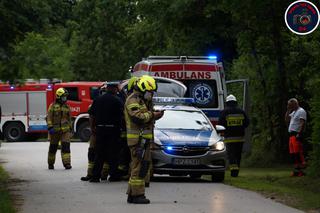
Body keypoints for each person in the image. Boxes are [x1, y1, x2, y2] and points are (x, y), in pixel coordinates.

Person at [125, 75, 164, 204]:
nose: (151, 94)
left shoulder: (143, 101)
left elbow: (147, 116)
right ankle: (138, 195)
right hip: (137, 140)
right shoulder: (133, 100)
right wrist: (153, 114)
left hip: (144, 140)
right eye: (150, 91)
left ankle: (132, 194)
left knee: (142, 166)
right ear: (143, 89)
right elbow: (137, 117)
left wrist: (156, 115)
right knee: (138, 167)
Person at [89, 82, 123, 183]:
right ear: (114, 88)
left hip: (100, 130)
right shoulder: (117, 100)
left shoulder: (98, 99)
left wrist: (92, 128)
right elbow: (122, 115)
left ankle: (95, 176)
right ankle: (114, 176)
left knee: (99, 153)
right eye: (116, 88)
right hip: (113, 130)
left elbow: (91, 115)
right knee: (113, 153)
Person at [80, 87, 110, 181]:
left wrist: (93, 128)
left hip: (98, 131)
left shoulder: (96, 104)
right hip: (100, 131)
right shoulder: (109, 103)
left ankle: (99, 174)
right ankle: (96, 174)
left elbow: (91, 118)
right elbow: (91, 117)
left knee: (96, 153)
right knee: (94, 152)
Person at [218, 94, 249, 177]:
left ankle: (233, 172)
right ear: (235, 102)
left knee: (231, 155)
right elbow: (247, 123)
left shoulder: (224, 112)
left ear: (227, 103)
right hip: (240, 138)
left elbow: (220, 123)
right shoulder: (241, 112)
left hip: (229, 138)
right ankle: (237, 171)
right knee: (238, 155)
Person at [47, 88, 72, 170]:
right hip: (54, 131)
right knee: (53, 148)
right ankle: (50, 163)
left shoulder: (67, 106)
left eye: (66, 97)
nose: (65, 98)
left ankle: (67, 164)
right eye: (64, 96)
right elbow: (49, 117)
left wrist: (70, 129)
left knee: (66, 147)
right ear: (58, 96)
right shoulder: (52, 106)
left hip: (65, 131)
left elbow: (69, 119)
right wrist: (50, 127)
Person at [285, 98, 307, 177]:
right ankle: (296, 171)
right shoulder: (294, 112)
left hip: (296, 134)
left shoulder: (301, 111)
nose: (289, 106)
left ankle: (302, 170)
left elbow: (302, 123)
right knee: (293, 154)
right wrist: (288, 110)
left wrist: (299, 133)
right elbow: (286, 120)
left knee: (298, 153)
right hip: (291, 135)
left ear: (295, 104)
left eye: (290, 105)